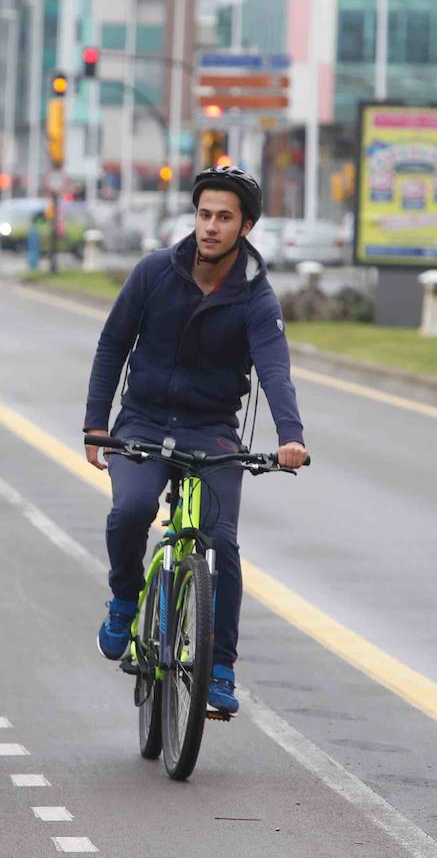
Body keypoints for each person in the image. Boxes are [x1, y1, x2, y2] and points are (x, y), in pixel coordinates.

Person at [82, 165, 308, 717]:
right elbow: (112, 345)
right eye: (204, 214)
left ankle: (221, 666)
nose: (210, 226)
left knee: (221, 542)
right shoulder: (154, 272)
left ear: (245, 227)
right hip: (142, 420)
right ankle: (124, 599)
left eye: (224, 217)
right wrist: (96, 425)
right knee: (132, 508)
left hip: (211, 428)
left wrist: (291, 436)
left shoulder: (256, 296)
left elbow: (274, 369)